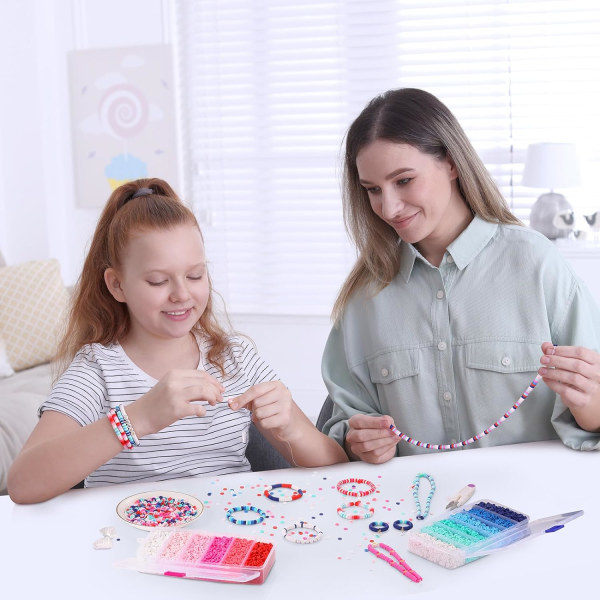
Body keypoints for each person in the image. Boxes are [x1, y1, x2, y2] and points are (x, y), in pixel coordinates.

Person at [8, 178, 347, 503]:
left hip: (229, 539)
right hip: (132, 547)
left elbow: (334, 467)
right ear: (117, 285)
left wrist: (292, 428)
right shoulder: (97, 370)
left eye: (195, 275)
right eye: (158, 281)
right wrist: (138, 418)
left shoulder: (234, 358)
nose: (182, 294)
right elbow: (23, 483)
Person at [321, 88, 600, 464]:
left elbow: (591, 419)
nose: (388, 207)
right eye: (373, 190)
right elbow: (341, 429)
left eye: (403, 180)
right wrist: (358, 442)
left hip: (534, 507)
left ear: (451, 163)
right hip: (412, 512)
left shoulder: (538, 265)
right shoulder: (364, 297)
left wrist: (592, 406)